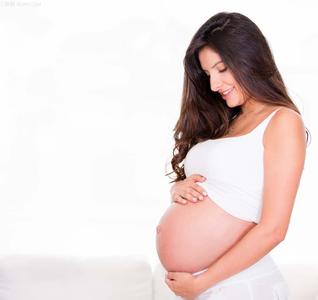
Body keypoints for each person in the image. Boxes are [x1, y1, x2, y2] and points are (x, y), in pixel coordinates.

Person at [164, 11, 310, 300]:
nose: (214, 85)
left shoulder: (282, 121)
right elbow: (224, 189)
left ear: (250, 59)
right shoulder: (226, 121)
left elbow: (274, 229)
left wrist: (201, 283)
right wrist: (178, 189)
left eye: (221, 69)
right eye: (207, 74)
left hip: (239, 285)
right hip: (206, 286)